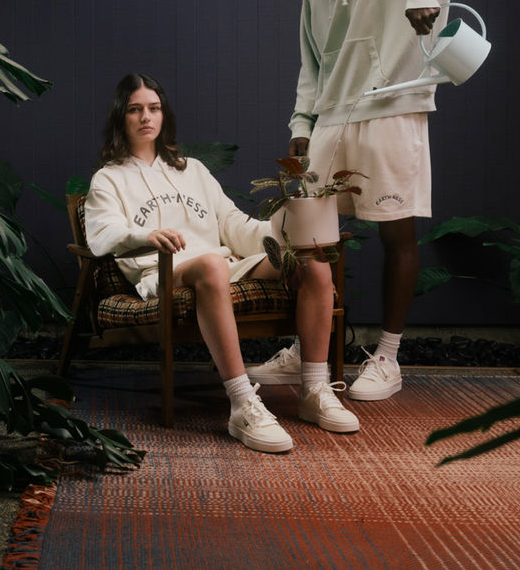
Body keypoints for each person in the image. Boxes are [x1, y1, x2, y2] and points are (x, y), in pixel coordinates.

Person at [250, 0, 488, 401]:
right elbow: (312, 59)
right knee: (310, 240)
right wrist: (301, 122)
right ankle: (309, 350)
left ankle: (388, 357)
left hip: (390, 104)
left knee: (395, 233)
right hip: (332, 113)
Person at [84, 73, 359, 453]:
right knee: (212, 264)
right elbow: (101, 235)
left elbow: (233, 224)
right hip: (161, 274)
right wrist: (146, 236)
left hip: (220, 264)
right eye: (135, 109)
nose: (146, 117)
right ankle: (242, 403)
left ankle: (313, 389)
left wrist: (292, 227)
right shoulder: (108, 179)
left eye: (154, 108)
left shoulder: (191, 169)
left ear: (164, 116)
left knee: (312, 263)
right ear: (121, 117)